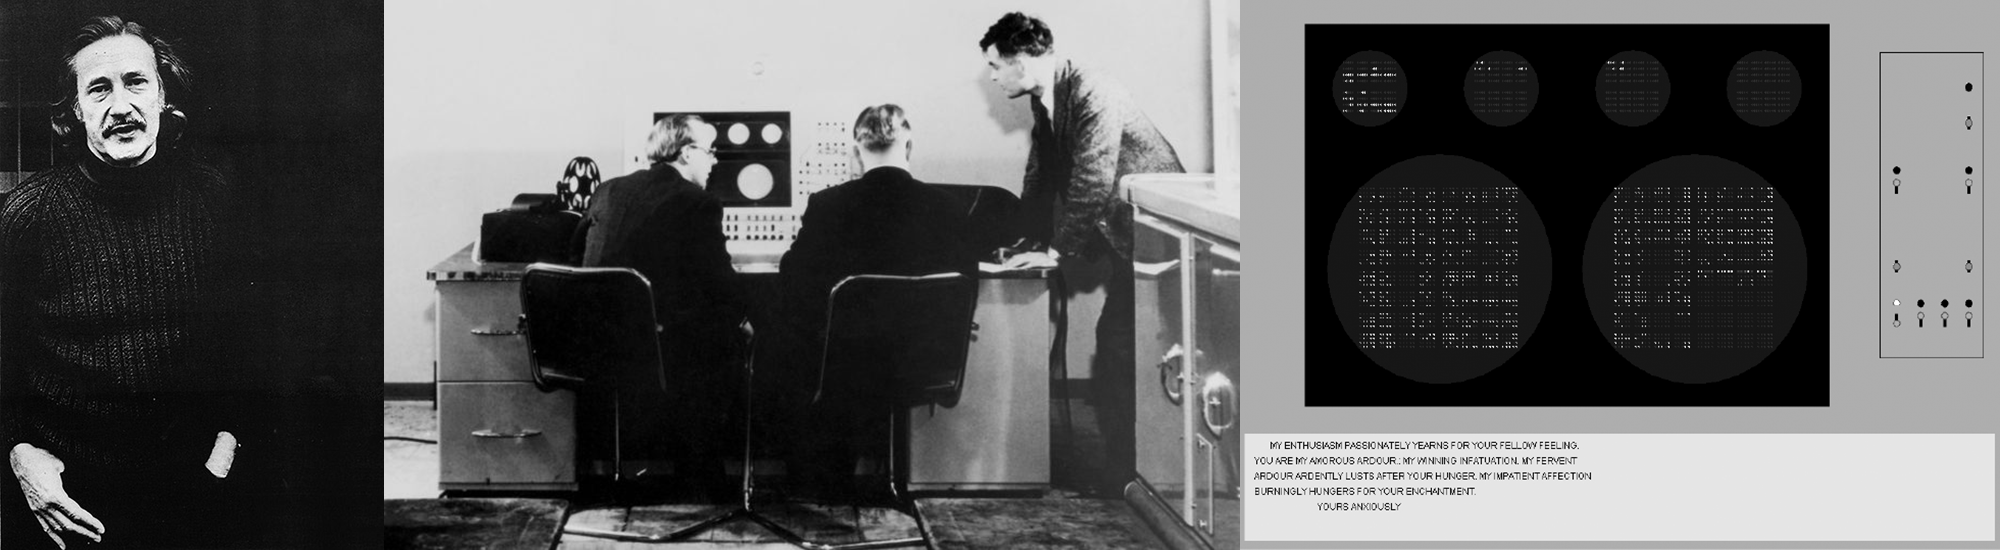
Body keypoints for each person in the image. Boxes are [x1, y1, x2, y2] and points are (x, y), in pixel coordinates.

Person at [1, 16, 247, 549]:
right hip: (68, 502)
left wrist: (225, 446)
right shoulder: (27, 216)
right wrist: (17, 450)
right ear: (73, 112)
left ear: (163, 96)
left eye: (136, 82)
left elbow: (249, 341)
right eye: (98, 89)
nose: (120, 106)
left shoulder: (215, 199)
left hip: (194, 491)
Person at [981, 11, 1185, 494]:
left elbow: (1094, 175)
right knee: (1120, 349)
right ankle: (1129, 470)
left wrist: (1055, 252)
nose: (992, 76)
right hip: (1127, 238)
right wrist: (1023, 243)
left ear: (1021, 60)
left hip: (1162, 240)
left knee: (1119, 348)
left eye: (995, 65)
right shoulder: (1047, 100)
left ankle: (1127, 476)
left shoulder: (1093, 89)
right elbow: (1041, 175)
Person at [572, 114, 748, 481]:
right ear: (686, 153)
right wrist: (747, 320)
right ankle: (702, 475)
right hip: (658, 348)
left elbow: (574, 255)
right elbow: (720, 282)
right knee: (723, 337)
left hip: (593, 342)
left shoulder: (608, 190)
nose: (714, 161)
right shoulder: (698, 202)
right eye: (710, 152)